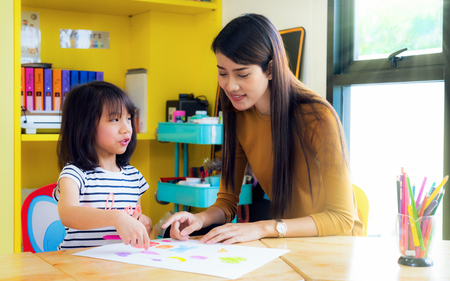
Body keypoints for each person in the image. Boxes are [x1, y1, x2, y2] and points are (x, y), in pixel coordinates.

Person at [162, 13, 363, 244]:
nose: (230, 85)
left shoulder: (318, 117)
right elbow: (227, 202)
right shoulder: (237, 114)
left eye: (242, 74)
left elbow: (342, 219)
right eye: (222, 73)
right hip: (288, 244)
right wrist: (199, 219)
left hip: (337, 247)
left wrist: (263, 228)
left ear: (270, 69)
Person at [54, 81, 152, 250]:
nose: (126, 128)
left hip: (120, 265)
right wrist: (116, 217)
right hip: (78, 266)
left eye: (128, 118)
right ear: (86, 125)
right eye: (115, 119)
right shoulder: (75, 174)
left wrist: (144, 223)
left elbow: (135, 218)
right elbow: (68, 213)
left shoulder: (134, 177)